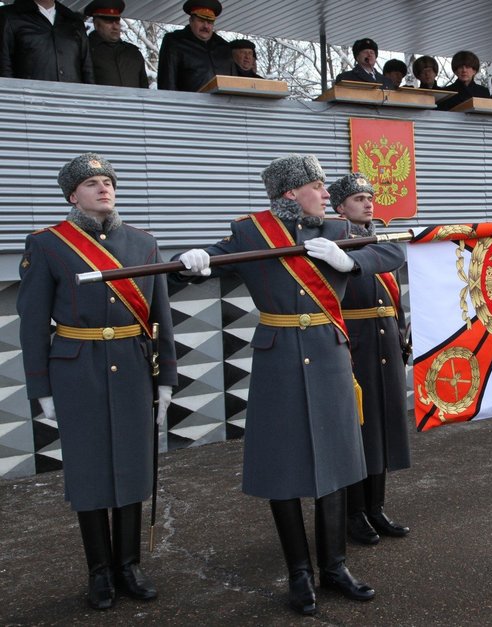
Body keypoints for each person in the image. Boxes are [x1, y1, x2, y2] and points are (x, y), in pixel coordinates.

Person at [174, 154, 403, 616]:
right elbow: (210, 262)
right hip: (277, 356)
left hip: (329, 352)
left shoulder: (340, 232)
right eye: (317, 186)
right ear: (289, 193)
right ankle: (299, 573)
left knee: (336, 463)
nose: (325, 193)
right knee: (283, 466)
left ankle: (335, 567)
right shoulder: (250, 232)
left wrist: (350, 261)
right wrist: (190, 261)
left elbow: (392, 251)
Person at [17, 153, 177, 610]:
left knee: (131, 465)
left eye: (108, 181)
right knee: (89, 471)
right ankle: (100, 571)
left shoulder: (144, 243)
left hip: (132, 365)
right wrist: (40, 387)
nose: (104, 188)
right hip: (76, 367)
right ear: (73, 195)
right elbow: (32, 322)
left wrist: (166, 376)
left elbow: (160, 315)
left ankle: (129, 565)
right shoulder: (48, 244)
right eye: (92, 183)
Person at [327, 173, 411, 546]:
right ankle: (354, 513)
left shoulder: (380, 239)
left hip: (384, 344)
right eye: (358, 198)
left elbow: (390, 297)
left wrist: (401, 336)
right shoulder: (332, 241)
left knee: (384, 425)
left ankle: (376, 508)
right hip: (355, 344)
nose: (367, 203)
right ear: (339, 206)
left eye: (370, 197)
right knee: (359, 431)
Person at [0, 0, 94, 83]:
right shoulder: (9, 16)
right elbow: (4, 66)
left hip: (72, 98)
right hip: (28, 98)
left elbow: (87, 69)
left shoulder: (74, 22)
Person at [157, 0, 235, 92]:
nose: (206, 26)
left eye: (210, 22)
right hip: (189, 104)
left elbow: (234, 82)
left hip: (222, 104)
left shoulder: (224, 47)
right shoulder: (175, 42)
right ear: (191, 21)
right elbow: (167, 83)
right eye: (201, 21)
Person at [85, 0, 149, 89]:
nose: (115, 27)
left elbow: (145, 90)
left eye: (117, 22)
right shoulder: (85, 51)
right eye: (109, 22)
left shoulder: (133, 53)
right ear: (96, 24)